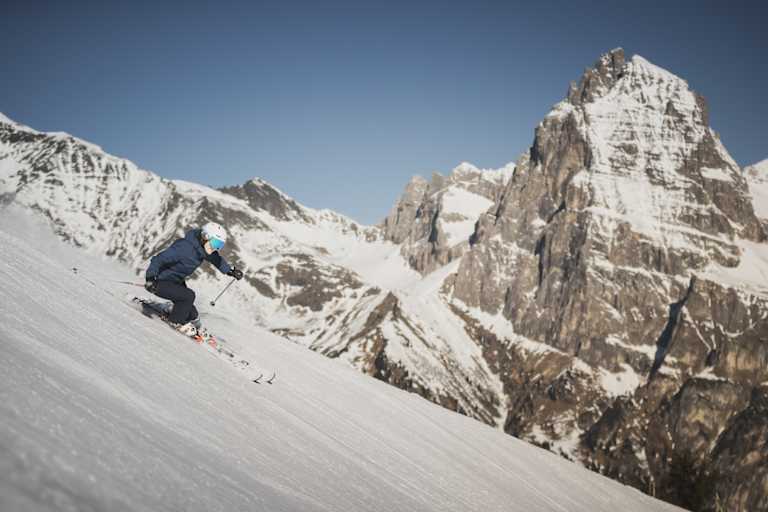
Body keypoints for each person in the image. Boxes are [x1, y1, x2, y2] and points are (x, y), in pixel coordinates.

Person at [144, 222, 244, 335]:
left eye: (219, 245)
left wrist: (230, 270)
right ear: (206, 237)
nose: (216, 247)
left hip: (175, 282)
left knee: (192, 314)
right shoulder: (184, 248)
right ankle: (175, 322)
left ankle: (181, 318)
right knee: (188, 296)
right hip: (159, 281)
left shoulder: (203, 248)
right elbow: (159, 259)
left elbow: (216, 259)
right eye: (216, 243)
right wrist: (150, 278)